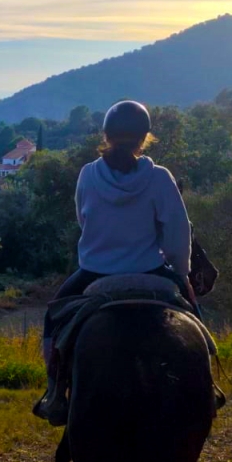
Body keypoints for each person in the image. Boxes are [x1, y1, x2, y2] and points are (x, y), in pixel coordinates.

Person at [40, 101, 199, 418]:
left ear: (106, 136)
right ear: (145, 137)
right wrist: (182, 273)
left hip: (93, 273)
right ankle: (206, 388)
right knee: (194, 315)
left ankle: (56, 392)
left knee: (53, 319)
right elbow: (179, 235)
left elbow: (84, 222)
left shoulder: (87, 175)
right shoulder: (160, 178)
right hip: (151, 270)